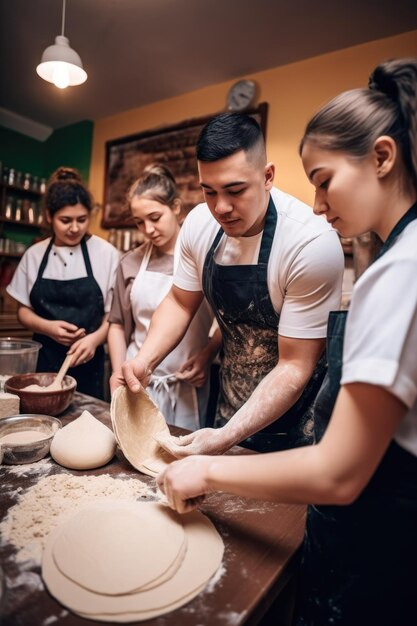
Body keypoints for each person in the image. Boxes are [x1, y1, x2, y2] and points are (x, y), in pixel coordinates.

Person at [157, 58, 417, 626]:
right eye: (209, 193)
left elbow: (339, 472)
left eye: (323, 180)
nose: (320, 205)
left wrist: (208, 467)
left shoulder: (398, 270)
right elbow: (182, 302)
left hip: (378, 537)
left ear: (382, 158)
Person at [111, 113, 344, 452]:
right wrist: (143, 362)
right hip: (230, 406)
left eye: (235, 191)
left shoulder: (310, 244)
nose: (221, 207)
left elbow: (295, 366)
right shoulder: (198, 224)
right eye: (209, 191)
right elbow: (179, 302)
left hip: (299, 424)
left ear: (267, 176)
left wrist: (225, 436)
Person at [108, 164, 216, 431]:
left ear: (176, 208)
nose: (148, 229)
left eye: (155, 217)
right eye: (139, 222)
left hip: (187, 384)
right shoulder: (130, 263)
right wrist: (119, 370)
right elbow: (117, 323)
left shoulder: (205, 259)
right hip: (139, 383)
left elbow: (230, 322)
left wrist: (206, 355)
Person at [6, 167, 119, 398]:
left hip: (88, 360)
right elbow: (23, 312)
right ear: (49, 216)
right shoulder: (35, 254)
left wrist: (94, 340)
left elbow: (114, 315)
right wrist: (48, 328)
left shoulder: (105, 253)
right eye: (65, 220)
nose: (75, 228)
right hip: (44, 359)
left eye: (82, 219)